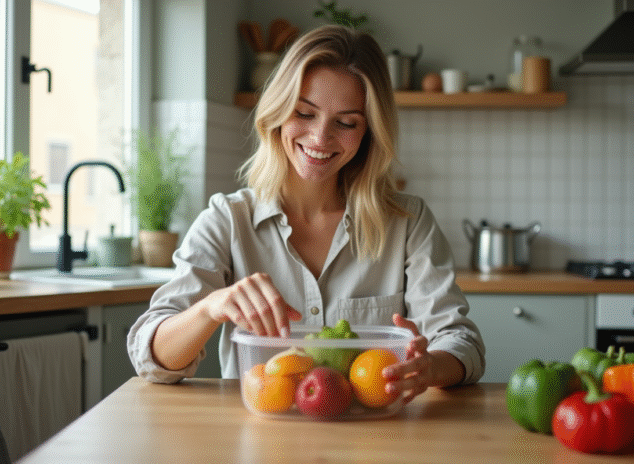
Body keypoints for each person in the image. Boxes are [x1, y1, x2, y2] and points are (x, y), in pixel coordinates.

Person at [127, 24, 485, 402]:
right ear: (278, 111)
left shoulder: (408, 223)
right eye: (304, 112)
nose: (319, 138)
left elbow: (461, 342)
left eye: (346, 123)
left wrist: (430, 367)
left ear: (368, 134)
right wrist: (210, 308)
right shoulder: (227, 220)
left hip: (374, 443)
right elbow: (151, 359)